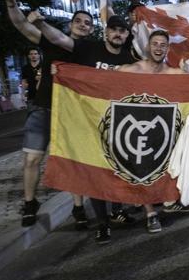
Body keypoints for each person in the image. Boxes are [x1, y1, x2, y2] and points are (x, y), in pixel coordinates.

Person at [30, 12, 137, 244]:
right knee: (95, 174)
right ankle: (102, 224)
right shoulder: (89, 49)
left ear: (127, 35)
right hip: (87, 121)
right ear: (106, 31)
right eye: (114, 29)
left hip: (114, 122)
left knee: (116, 169)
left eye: (122, 30)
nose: (118, 34)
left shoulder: (129, 59)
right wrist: (60, 69)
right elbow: (59, 40)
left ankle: (117, 210)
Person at [1, 0, 90, 230]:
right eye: (79, 21)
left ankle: (78, 206)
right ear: (71, 24)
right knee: (32, 159)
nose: (83, 25)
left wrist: (40, 22)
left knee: (73, 162)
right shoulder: (50, 44)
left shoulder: (86, 50)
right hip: (43, 108)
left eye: (87, 23)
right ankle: (30, 202)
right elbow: (21, 25)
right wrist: (11, 4)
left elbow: (56, 37)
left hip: (71, 114)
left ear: (91, 30)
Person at [116, 30, 184, 233]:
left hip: (163, 127)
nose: (158, 48)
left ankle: (167, 200)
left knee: (163, 167)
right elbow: (101, 79)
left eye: (163, 45)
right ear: (147, 46)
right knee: (141, 169)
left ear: (167, 49)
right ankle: (150, 214)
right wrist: (65, 73)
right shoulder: (134, 69)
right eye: (155, 43)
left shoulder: (172, 72)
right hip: (137, 127)